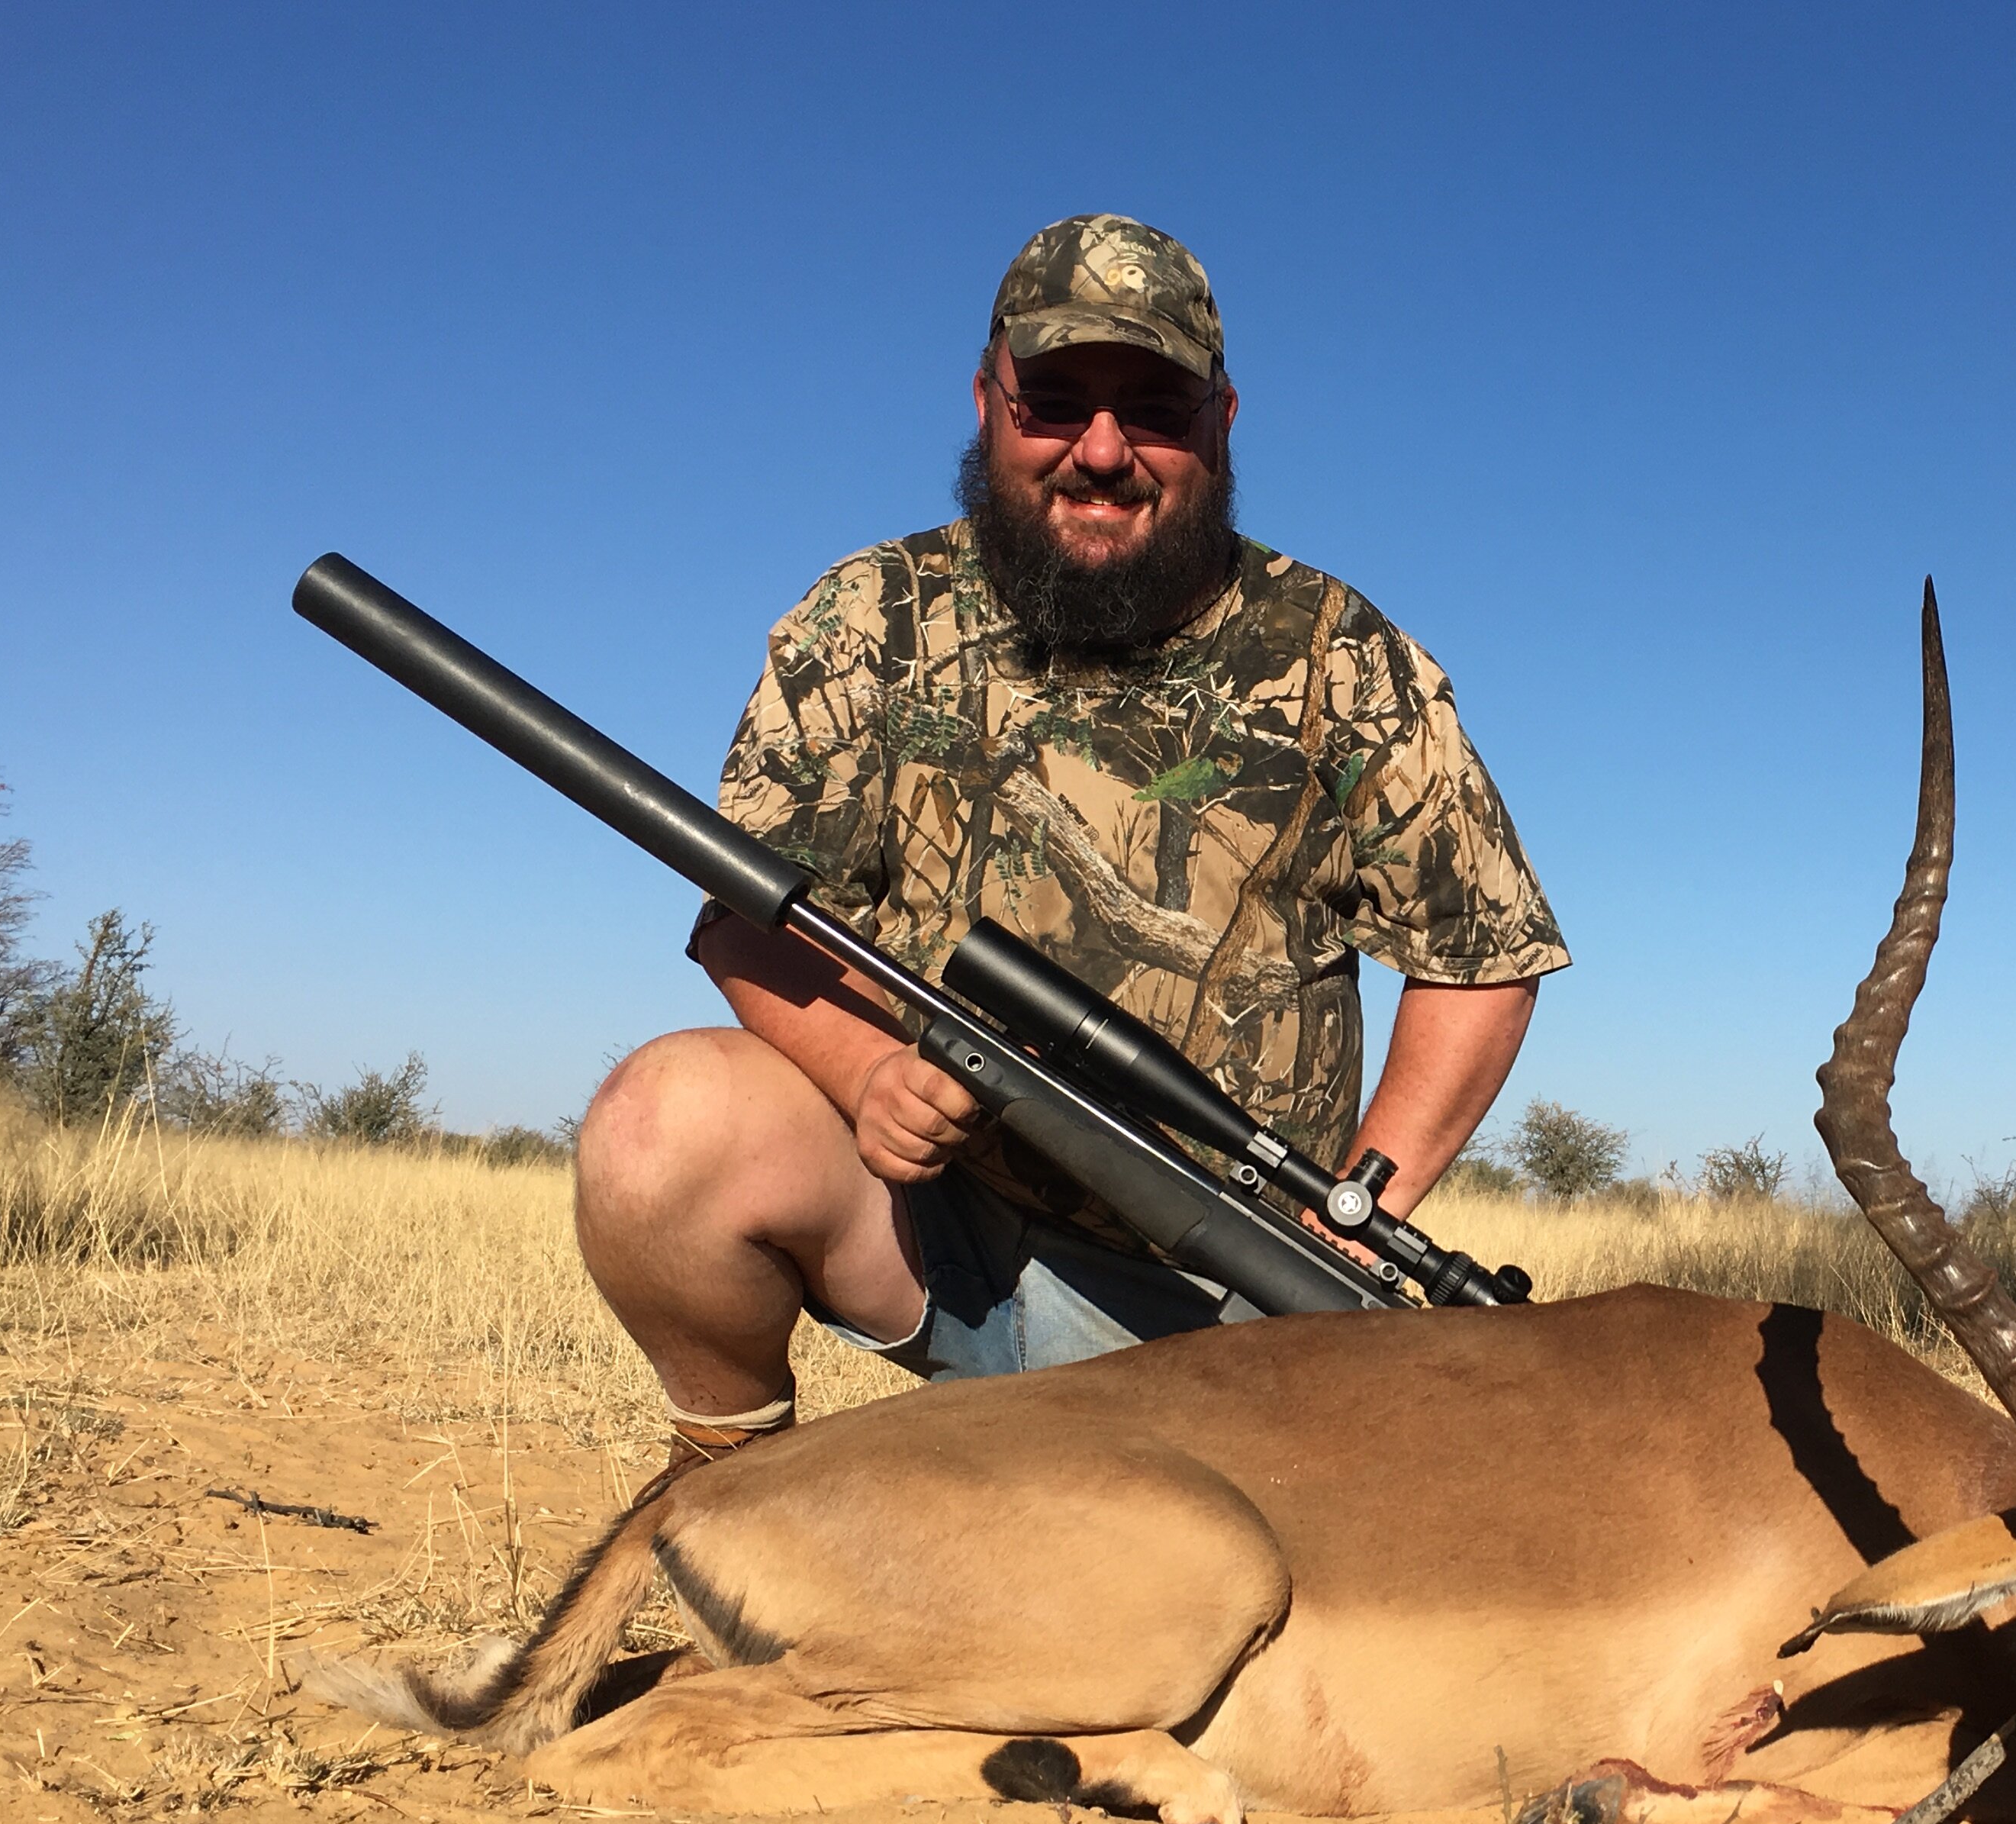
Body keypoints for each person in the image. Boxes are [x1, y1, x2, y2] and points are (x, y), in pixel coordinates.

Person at [573, 215, 1568, 1480]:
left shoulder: (1338, 647)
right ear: (987, 401)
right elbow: (744, 910)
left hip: (1233, 1286)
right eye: (1054, 402)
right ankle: (715, 1476)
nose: (1102, 452)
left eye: (1153, 407)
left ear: (1222, 420)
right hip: (942, 1236)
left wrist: (1358, 1221)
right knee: (661, 1125)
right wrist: (868, 1069)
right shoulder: (868, 615)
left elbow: (1478, 955)